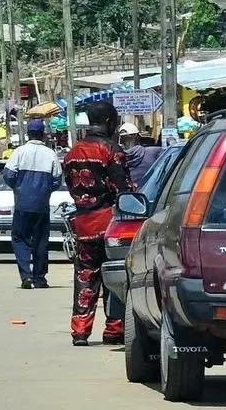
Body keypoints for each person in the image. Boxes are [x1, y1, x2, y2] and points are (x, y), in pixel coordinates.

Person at [62, 101, 136, 346]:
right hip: (108, 224)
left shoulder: (72, 153)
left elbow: (71, 186)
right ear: (108, 122)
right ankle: (114, 329)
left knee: (85, 277)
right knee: (114, 276)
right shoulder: (111, 150)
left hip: (82, 224)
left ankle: (80, 331)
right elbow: (123, 190)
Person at [4, 119, 63, 290]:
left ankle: (26, 275)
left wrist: (19, 188)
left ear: (28, 134)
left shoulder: (19, 152)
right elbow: (57, 180)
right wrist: (45, 191)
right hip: (42, 205)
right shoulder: (50, 154)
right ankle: (39, 277)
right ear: (43, 134)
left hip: (22, 204)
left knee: (20, 238)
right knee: (41, 241)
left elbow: (8, 175)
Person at [120, 122, 163, 187]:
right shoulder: (152, 152)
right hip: (150, 191)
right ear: (138, 137)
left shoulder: (117, 157)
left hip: (127, 194)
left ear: (121, 140)